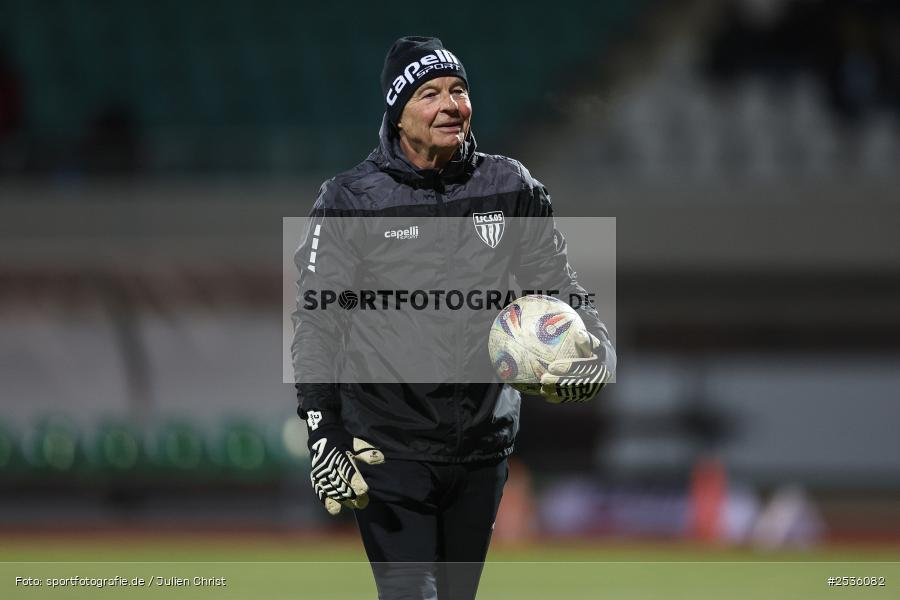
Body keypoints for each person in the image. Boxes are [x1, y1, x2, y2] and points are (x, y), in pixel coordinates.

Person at [292, 36, 616, 600]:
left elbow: (559, 287)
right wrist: (323, 428)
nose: (450, 104)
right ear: (398, 116)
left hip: (482, 448)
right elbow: (319, 321)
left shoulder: (509, 187)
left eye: (459, 90)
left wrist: (598, 349)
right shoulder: (350, 200)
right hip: (388, 446)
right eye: (430, 93)